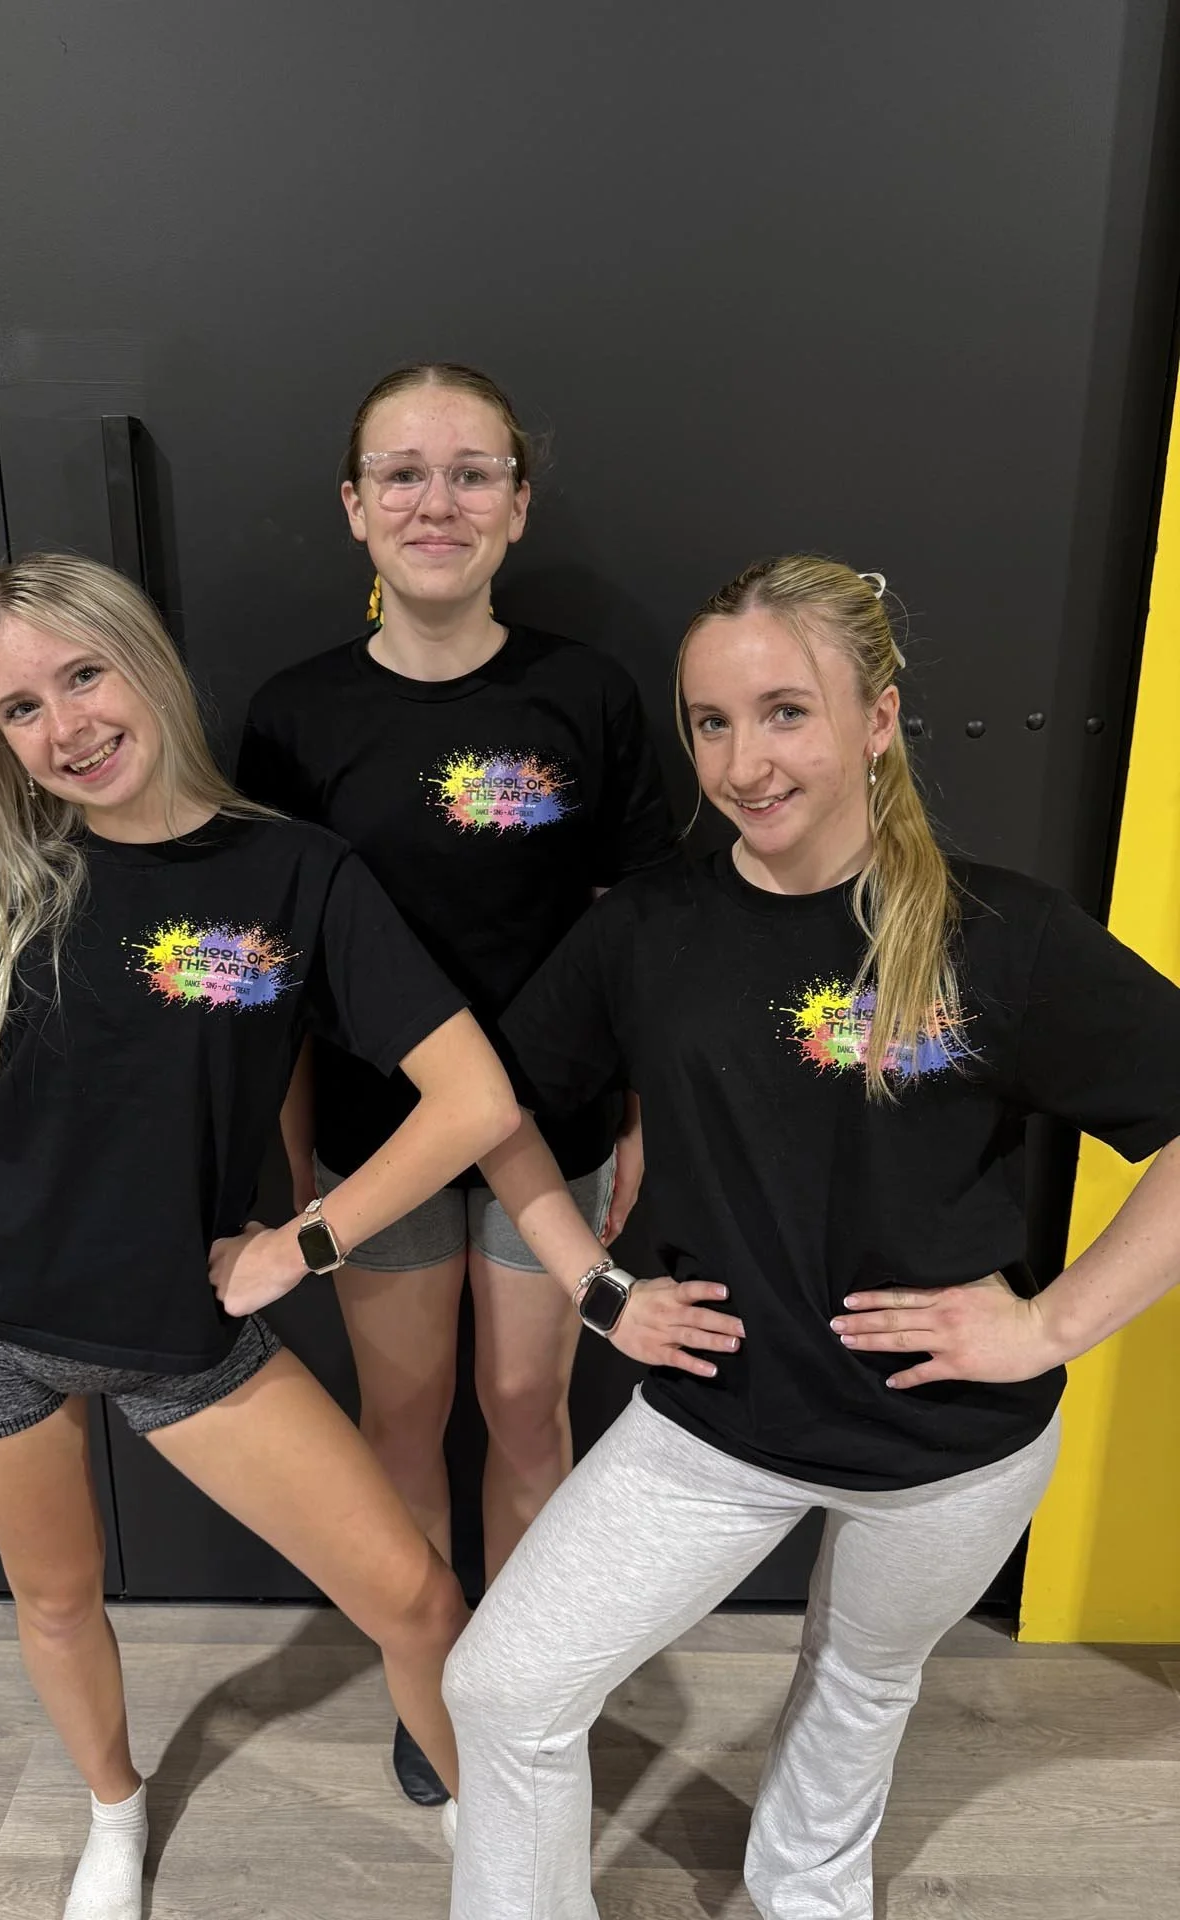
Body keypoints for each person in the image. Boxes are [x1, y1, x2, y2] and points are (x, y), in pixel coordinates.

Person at [442, 554, 1180, 1919]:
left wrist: (1049, 1323)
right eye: (712, 723)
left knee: (861, 1680)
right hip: (715, 1421)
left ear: (878, 718)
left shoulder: (1003, 936)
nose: (745, 762)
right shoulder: (649, 930)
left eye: (786, 712)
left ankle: (808, 1892)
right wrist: (595, 1287)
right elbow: (490, 1112)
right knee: (503, 1690)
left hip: (949, 1444)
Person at [0, 554, 521, 1920]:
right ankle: (114, 1816)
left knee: (421, 1603)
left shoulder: (293, 873)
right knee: (58, 1600)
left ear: (147, 663)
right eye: (20, 709)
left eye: (84, 675)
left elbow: (474, 1100)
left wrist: (300, 1245)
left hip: (183, 1334)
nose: (65, 728)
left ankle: (502, 1852)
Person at [236, 362, 675, 1803]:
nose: (439, 502)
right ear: (355, 506)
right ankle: (432, 1679)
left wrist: (639, 1126)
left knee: (528, 1406)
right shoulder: (294, 717)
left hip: (553, 1134)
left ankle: (523, 1689)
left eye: (473, 472)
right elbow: (279, 972)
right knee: (405, 1416)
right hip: (383, 1141)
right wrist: (295, 1159)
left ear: (518, 505)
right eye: (404, 474)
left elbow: (643, 935)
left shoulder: (588, 695)